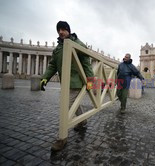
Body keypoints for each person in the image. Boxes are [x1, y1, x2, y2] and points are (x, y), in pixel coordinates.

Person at [40, 21, 94, 151]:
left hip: (76, 81)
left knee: (66, 106)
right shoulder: (58, 49)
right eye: (59, 30)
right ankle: (82, 120)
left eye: (63, 29)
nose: (61, 32)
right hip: (65, 83)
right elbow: (52, 65)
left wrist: (91, 81)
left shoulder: (78, 44)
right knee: (73, 103)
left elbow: (86, 63)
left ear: (68, 30)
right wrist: (45, 78)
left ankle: (62, 138)